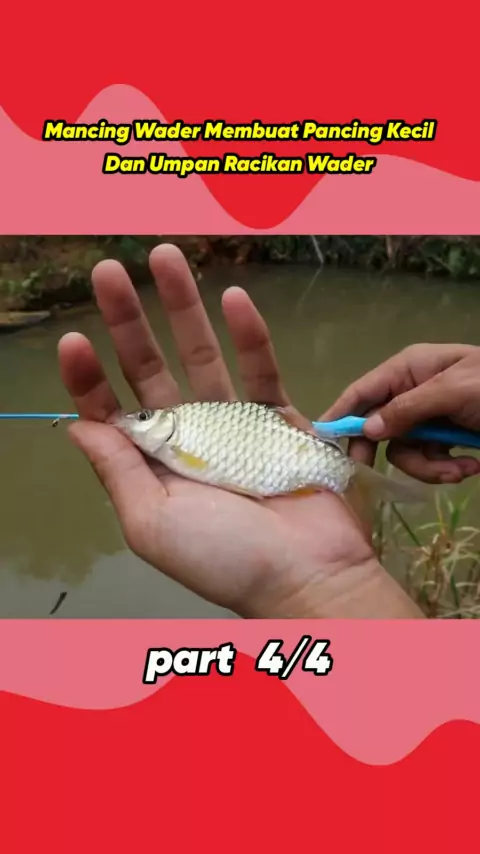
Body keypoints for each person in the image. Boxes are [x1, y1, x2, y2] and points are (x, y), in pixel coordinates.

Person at [57, 243, 480, 620]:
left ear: (166, 422)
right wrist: (336, 585)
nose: (134, 423)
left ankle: (353, 486)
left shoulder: (179, 438)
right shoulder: (178, 436)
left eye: (144, 418)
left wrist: (335, 582)